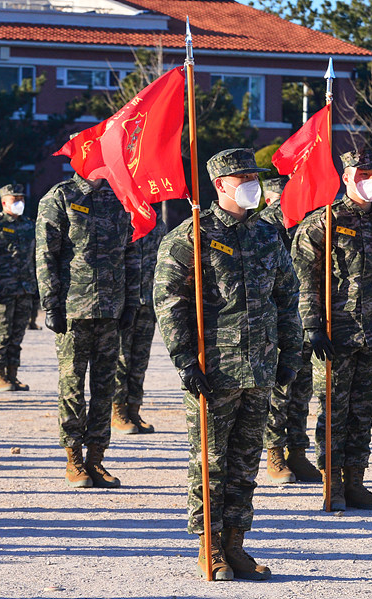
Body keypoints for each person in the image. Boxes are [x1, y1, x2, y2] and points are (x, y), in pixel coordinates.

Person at [154, 148, 302, 581]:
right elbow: (169, 302)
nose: (252, 185)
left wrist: (290, 353)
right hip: (213, 369)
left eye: (254, 177)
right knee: (210, 462)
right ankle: (209, 547)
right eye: (242, 178)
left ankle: (235, 543)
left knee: (244, 462)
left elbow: (285, 299)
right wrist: (184, 359)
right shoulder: (190, 236)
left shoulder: (266, 235)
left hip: (259, 368)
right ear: (220, 185)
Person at [293, 147, 372, 511]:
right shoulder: (321, 224)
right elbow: (306, 281)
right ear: (345, 177)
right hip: (335, 334)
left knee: (363, 412)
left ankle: (356, 481)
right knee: (333, 413)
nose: (370, 181)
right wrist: (312, 326)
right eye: (362, 175)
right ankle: (333, 485)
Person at [36, 169, 139, 489]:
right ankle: (74, 459)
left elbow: (131, 251)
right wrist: (50, 303)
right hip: (73, 310)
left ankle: (96, 458)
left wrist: (131, 301)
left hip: (110, 309)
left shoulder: (118, 196)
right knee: (72, 388)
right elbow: (45, 255)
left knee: (105, 387)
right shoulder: (61, 197)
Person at [256, 175, 321, 484]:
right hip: (279, 319)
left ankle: (297, 451)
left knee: (302, 390)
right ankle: (275, 453)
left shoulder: (311, 221)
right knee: (279, 390)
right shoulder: (267, 225)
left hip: (308, 318)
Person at [111, 204, 165, 435]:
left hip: (148, 300)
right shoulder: (119, 220)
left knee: (139, 360)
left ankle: (134, 409)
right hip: (124, 302)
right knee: (121, 358)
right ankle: (117, 411)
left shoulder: (157, 225)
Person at [0, 184, 36, 392]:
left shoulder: (29, 226)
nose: (19, 202)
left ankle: (13, 374)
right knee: (2, 334)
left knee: (17, 335)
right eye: (15, 199)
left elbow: (36, 257)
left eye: (21, 198)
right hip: (3, 290)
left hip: (25, 289)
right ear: (4, 203)